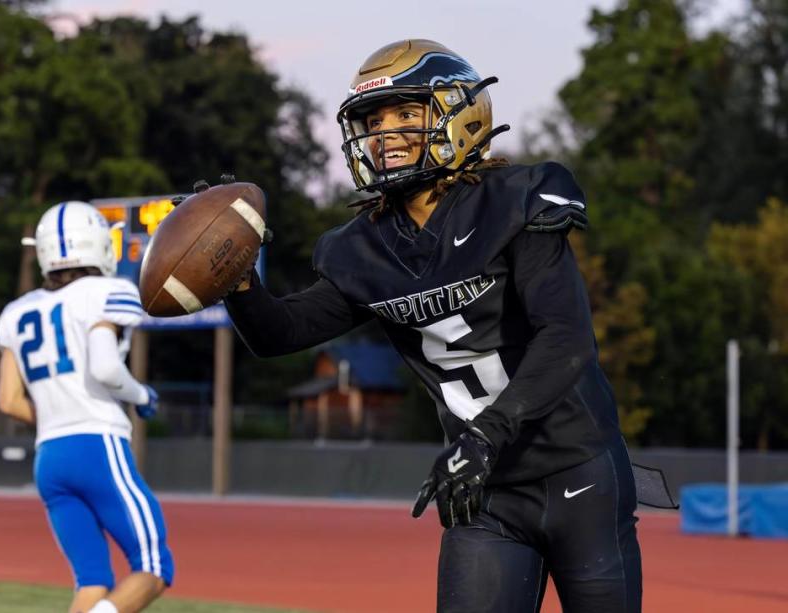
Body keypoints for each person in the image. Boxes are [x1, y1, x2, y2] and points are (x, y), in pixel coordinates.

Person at [224, 40, 642, 612]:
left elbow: (566, 340)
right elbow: (279, 334)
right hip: (483, 491)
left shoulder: (514, 200)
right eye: (373, 121)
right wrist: (236, 279)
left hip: (578, 473)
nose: (385, 132)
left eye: (405, 113)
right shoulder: (363, 248)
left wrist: (486, 434)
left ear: (456, 111)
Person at [0, 201, 174, 613]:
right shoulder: (110, 292)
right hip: (97, 444)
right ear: (98, 245)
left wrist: (59, 414)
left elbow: (8, 400)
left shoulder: (15, 313)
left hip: (50, 457)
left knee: (92, 581)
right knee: (154, 567)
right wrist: (142, 396)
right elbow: (107, 367)